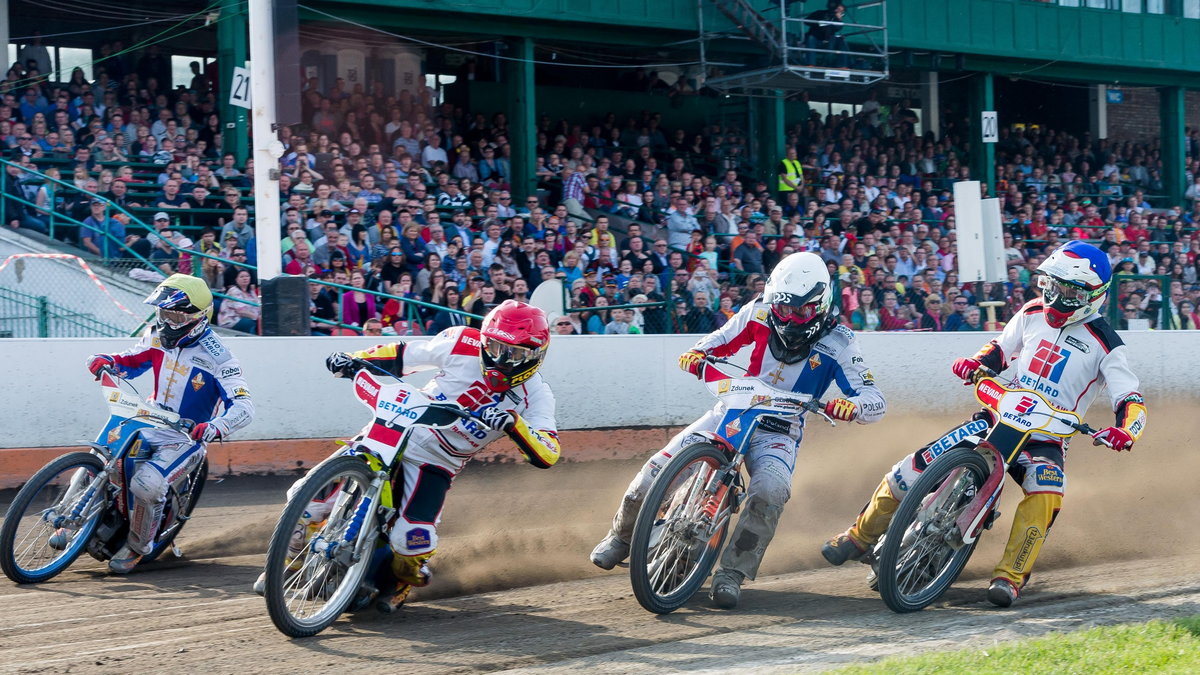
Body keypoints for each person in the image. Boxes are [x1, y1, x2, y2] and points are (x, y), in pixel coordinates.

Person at [821, 241, 1146, 608]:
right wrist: (974, 364)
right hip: (998, 414)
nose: (1054, 295)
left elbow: (1130, 399)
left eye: (1067, 289)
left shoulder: (1108, 344)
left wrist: (1124, 430)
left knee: (1046, 497)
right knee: (910, 468)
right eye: (1051, 285)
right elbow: (998, 350)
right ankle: (857, 536)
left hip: (1047, 438)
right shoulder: (1031, 311)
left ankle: (1010, 576)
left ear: (1092, 294)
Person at [590, 252, 887, 608]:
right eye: (782, 308)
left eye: (800, 310)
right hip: (733, 408)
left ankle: (732, 572)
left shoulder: (841, 341)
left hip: (780, 429)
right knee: (656, 466)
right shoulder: (758, 311)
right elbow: (717, 341)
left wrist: (853, 406)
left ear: (820, 303)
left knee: (771, 490)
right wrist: (697, 353)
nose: (789, 317)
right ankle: (620, 538)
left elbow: (875, 398)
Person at [252, 300, 562, 611]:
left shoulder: (535, 395)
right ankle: (290, 565)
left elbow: (549, 452)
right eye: (494, 347)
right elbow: (404, 355)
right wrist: (353, 360)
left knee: (411, 540)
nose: (502, 360)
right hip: (400, 424)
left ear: (536, 356)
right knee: (304, 496)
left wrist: (515, 424)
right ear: (483, 338)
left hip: (438, 462)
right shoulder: (460, 340)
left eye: (516, 354)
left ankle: (400, 581)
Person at [83, 275, 255, 573]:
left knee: (146, 484)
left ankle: (138, 546)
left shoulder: (221, 358)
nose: (166, 321)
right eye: (163, 313)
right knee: (96, 458)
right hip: (145, 416)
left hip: (185, 437)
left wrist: (214, 428)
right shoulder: (154, 334)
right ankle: (75, 517)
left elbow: (244, 406)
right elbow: (131, 361)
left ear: (198, 317)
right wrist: (106, 360)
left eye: (174, 315)